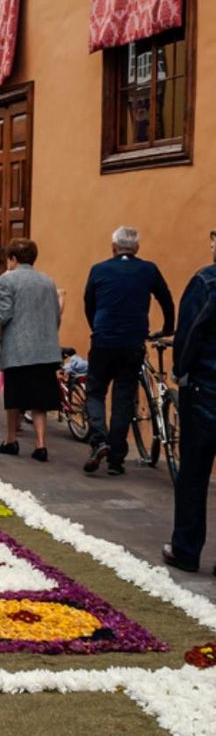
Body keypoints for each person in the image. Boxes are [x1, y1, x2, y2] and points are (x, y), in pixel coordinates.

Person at [83, 225, 175, 476]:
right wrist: (168, 327)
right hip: (133, 342)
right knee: (123, 397)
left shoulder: (99, 269)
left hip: (103, 340)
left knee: (95, 392)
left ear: (113, 247)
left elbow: (89, 303)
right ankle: (115, 459)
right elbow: (165, 299)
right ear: (137, 249)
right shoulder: (148, 269)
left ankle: (99, 440)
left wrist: (98, 327)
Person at [163, 229, 216, 573]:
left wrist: (180, 370)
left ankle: (186, 548)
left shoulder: (206, 281)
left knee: (194, 472)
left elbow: (190, 334)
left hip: (206, 389)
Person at [0, 238, 62, 462]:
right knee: (39, 400)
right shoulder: (47, 281)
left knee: (14, 396)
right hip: (45, 347)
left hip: (18, 346)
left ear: (12, 259)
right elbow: (55, 314)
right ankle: (41, 444)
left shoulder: (7, 279)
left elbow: (4, 312)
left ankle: (11, 439)